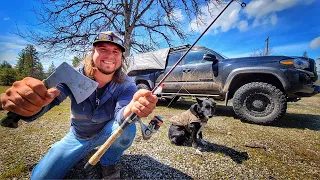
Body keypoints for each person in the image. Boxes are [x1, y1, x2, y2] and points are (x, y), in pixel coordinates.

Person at [0, 31, 158, 179]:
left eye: (116, 51)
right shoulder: (72, 75)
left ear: (121, 57)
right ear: (93, 52)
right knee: (41, 177)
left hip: (106, 132)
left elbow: (120, 114)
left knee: (127, 127)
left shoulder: (126, 84)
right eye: (103, 49)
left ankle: (109, 161)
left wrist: (133, 107)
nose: (110, 55)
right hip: (78, 137)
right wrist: (30, 105)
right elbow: (50, 99)